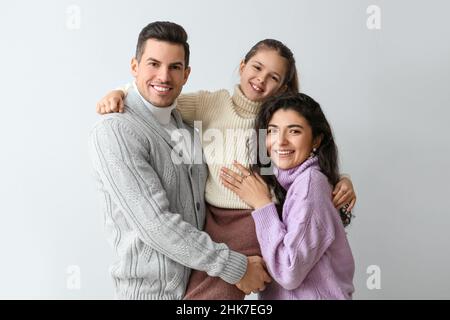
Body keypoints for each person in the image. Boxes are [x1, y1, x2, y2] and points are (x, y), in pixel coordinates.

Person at [96, 39, 356, 299]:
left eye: (273, 77)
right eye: (256, 68)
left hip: (251, 221)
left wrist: (338, 179)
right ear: (242, 66)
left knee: (208, 296)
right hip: (210, 220)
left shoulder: (274, 119)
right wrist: (121, 93)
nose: (260, 79)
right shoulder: (212, 104)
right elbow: (161, 97)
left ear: (282, 87)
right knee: (192, 292)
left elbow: (299, 164)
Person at [89, 21, 270, 300]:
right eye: (153, 64)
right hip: (151, 294)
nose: (164, 76)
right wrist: (237, 268)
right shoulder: (116, 130)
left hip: (199, 289)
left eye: (174, 67)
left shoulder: (186, 129)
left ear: (186, 75)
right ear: (134, 67)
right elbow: (156, 225)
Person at [220, 92, 355, 299]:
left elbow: (288, 271)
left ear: (316, 140)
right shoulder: (289, 183)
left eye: (294, 131)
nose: (280, 141)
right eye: (273, 131)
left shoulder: (310, 185)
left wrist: (261, 204)